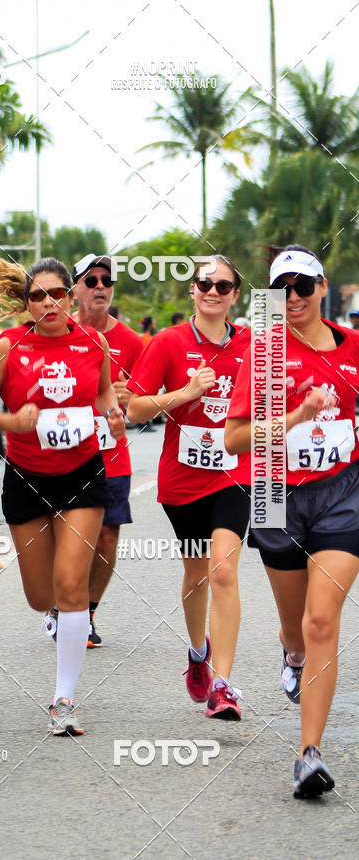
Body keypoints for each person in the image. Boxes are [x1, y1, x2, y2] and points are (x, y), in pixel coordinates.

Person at [225, 244, 359, 797]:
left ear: (322, 286)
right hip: (273, 495)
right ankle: (293, 654)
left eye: (304, 286)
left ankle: (309, 755)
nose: (294, 298)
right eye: (282, 290)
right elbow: (233, 438)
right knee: (294, 624)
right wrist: (293, 419)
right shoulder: (263, 354)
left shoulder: (353, 348)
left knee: (322, 620)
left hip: (340, 492)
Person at [0, 257, 125, 735]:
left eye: (57, 293)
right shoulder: (7, 347)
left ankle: (64, 698)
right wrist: (13, 423)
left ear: (71, 296)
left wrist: (114, 416)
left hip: (81, 474)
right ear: (27, 302)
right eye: (38, 295)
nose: (49, 303)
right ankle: (58, 615)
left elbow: (103, 400)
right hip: (26, 477)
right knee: (42, 596)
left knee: (72, 586)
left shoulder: (92, 342)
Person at [128, 255, 251, 720]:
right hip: (182, 483)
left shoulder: (253, 346)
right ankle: (198, 653)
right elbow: (136, 409)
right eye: (205, 283)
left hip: (234, 476)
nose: (213, 291)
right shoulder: (168, 342)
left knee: (223, 572)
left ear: (235, 295)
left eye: (223, 285)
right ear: (193, 290)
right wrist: (185, 394)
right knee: (198, 573)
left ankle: (222, 685)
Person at [56, 253, 143, 648]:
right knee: (64, 536)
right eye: (90, 280)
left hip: (111, 454)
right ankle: (62, 603)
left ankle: (86, 613)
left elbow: (145, 401)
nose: (100, 287)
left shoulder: (130, 341)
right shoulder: (54, 330)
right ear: (74, 289)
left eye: (107, 280)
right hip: (60, 454)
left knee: (107, 536)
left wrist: (131, 399)